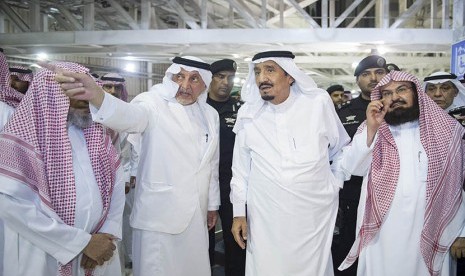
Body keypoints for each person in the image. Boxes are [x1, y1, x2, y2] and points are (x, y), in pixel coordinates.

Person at [48, 56, 221, 276]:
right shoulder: (152, 103)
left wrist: (212, 204)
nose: (185, 85)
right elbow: (129, 116)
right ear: (171, 76)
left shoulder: (210, 114)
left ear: (205, 83)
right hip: (159, 218)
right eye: (180, 76)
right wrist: (98, 97)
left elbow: (211, 162)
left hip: (196, 214)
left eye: (194, 79)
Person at [230, 50, 350, 276]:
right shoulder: (248, 113)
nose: (261, 78)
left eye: (270, 70)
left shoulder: (318, 103)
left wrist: (336, 184)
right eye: (257, 72)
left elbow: (340, 149)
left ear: (290, 76)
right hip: (266, 217)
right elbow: (240, 169)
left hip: (313, 216)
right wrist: (239, 212)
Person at [0, 61, 124, 276]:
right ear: (50, 95)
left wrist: (105, 235)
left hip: (98, 250)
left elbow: (117, 187)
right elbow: (11, 206)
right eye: (75, 91)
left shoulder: (96, 135)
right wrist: (81, 243)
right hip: (43, 253)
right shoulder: (21, 140)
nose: (87, 98)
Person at [338, 70, 465, 275]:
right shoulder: (371, 129)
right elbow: (352, 168)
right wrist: (371, 129)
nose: (394, 97)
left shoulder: (448, 130)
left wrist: (463, 232)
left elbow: (459, 184)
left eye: (401, 90)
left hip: (432, 229)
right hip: (382, 234)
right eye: (387, 93)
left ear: (416, 94)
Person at [331, 55, 388, 276]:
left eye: (379, 72)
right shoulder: (343, 112)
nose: (373, 78)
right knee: (347, 252)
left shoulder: (400, 108)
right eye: (366, 74)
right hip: (353, 195)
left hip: (389, 196)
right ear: (357, 80)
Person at [206, 58, 246, 276]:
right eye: (220, 77)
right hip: (203, 184)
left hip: (232, 185)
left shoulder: (241, 110)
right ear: (210, 79)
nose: (226, 82)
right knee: (204, 242)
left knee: (236, 241)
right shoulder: (198, 108)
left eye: (230, 77)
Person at [100, 72, 136, 270]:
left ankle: (126, 262)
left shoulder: (129, 113)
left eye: (117, 87)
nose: (112, 91)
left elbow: (130, 150)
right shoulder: (91, 113)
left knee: (123, 223)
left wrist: (128, 176)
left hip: (122, 181)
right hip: (98, 180)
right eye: (108, 87)